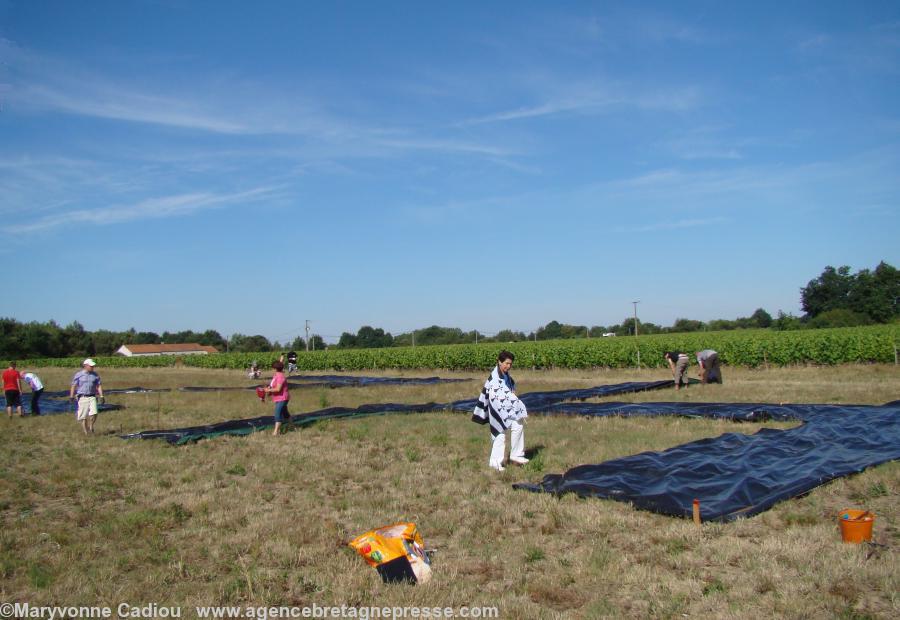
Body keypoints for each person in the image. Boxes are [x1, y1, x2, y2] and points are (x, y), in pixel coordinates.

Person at [471, 350, 528, 472]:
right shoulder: (495, 379)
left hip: (507, 410)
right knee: (500, 434)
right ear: (499, 362)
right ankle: (495, 463)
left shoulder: (506, 376)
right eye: (506, 363)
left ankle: (516, 455)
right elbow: (494, 397)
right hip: (496, 410)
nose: (508, 366)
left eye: (510, 364)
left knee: (518, 424)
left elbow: (509, 392)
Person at [70, 359, 104, 434]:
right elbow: (73, 385)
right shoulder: (79, 375)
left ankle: (91, 426)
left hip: (92, 396)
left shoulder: (95, 375)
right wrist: (71, 396)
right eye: (91, 366)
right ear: (85, 366)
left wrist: (101, 396)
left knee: (94, 413)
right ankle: (86, 432)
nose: (93, 367)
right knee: (83, 416)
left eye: (93, 366)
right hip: (82, 397)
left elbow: (98, 385)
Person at [264, 360, 290, 436]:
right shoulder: (276, 375)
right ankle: (293, 426)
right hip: (278, 398)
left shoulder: (280, 377)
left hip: (282, 398)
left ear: (275, 368)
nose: (272, 369)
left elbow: (278, 389)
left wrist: (268, 390)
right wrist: (269, 389)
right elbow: (273, 385)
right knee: (285, 414)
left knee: (277, 414)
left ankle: (275, 432)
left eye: (272, 368)